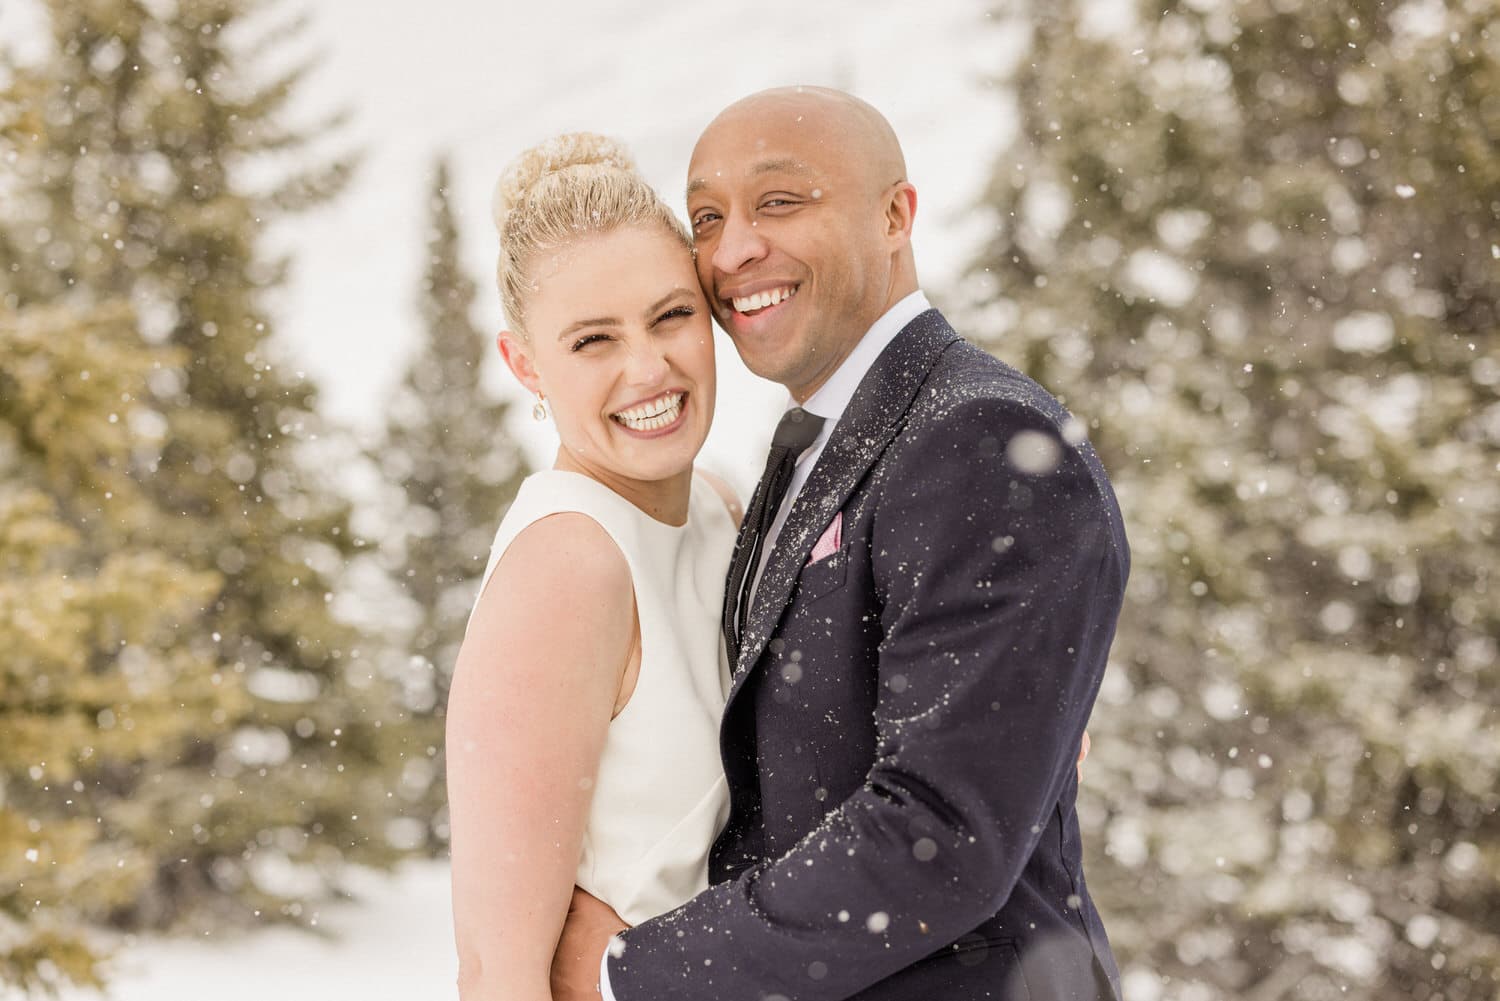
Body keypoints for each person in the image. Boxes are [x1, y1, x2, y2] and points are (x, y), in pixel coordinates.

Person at [552, 87, 1130, 1001]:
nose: (734, 248)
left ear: (896, 214)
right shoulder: (810, 446)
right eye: (707, 217)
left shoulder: (979, 439)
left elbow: (938, 835)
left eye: (780, 202)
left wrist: (633, 970)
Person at [444, 133, 744, 1001]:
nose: (647, 368)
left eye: (671, 315)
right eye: (593, 341)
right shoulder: (570, 565)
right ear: (524, 364)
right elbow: (497, 972)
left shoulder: (721, 507)